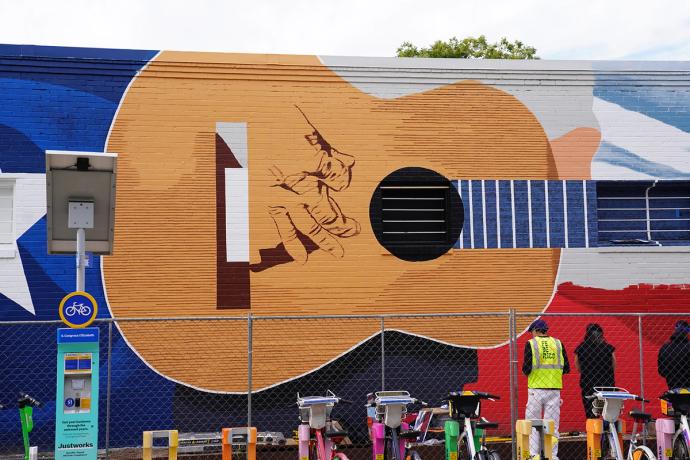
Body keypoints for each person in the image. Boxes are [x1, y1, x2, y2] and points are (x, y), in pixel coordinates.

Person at [523, 319, 570, 460]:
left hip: (536, 389)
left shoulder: (531, 344)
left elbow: (526, 368)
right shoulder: (558, 344)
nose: (531, 335)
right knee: (552, 425)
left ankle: (533, 455)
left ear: (536, 331)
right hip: (554, 389)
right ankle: (552, 456)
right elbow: (566, 368)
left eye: (532, 332)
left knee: (532, 423)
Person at [574, 324, 616, 419]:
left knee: (590, 409)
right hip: (606, 383)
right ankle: (606, 427)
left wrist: (584, 371)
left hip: (588, 382)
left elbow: (577, 364)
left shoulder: (581, 348)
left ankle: (593, 426)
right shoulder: (608, 348)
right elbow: (614, 364)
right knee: (604, 408)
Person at [657, 320, 690, 390]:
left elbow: (661, 370)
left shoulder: (665, 348)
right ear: (687, 332)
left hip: (672, 386)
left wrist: (671, 376)